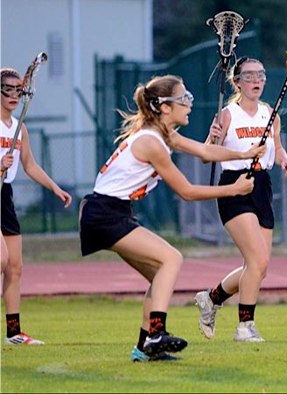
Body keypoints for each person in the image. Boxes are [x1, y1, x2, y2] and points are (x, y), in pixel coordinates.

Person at [78, 74, 265, 362]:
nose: (189, 105)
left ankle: (144, 349)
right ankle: (157, 334)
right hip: (105, 213)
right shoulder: (152, 141)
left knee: (158, 276)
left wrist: (245, 152)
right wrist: (234, 189)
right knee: (172, 258)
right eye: (184, 99)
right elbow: (187, 191)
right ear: (165, 107)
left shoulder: (164, 135)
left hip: (111, 211)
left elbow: (204, 149)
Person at [194, 57, 287, 342]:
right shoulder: (227, 115)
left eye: (260, 75)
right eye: (249, 76)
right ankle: (245, 326)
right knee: (257, 259)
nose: (256, 81)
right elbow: (206, 155)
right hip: (234, 186)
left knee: (259, 267)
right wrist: (212, 139)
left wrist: (285, 161)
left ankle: (212, 299)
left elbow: (275, 148)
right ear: (236, 82)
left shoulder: (270, 114)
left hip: (261, 186)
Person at [1, 68, 73, 345]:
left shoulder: (19, 128)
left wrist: (55, 188)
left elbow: (29, 164)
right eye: (7, 89)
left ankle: (13, 332)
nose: (13, 95)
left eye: (18, 89)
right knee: (1, 259)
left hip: (4, 196)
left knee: (15, 267)